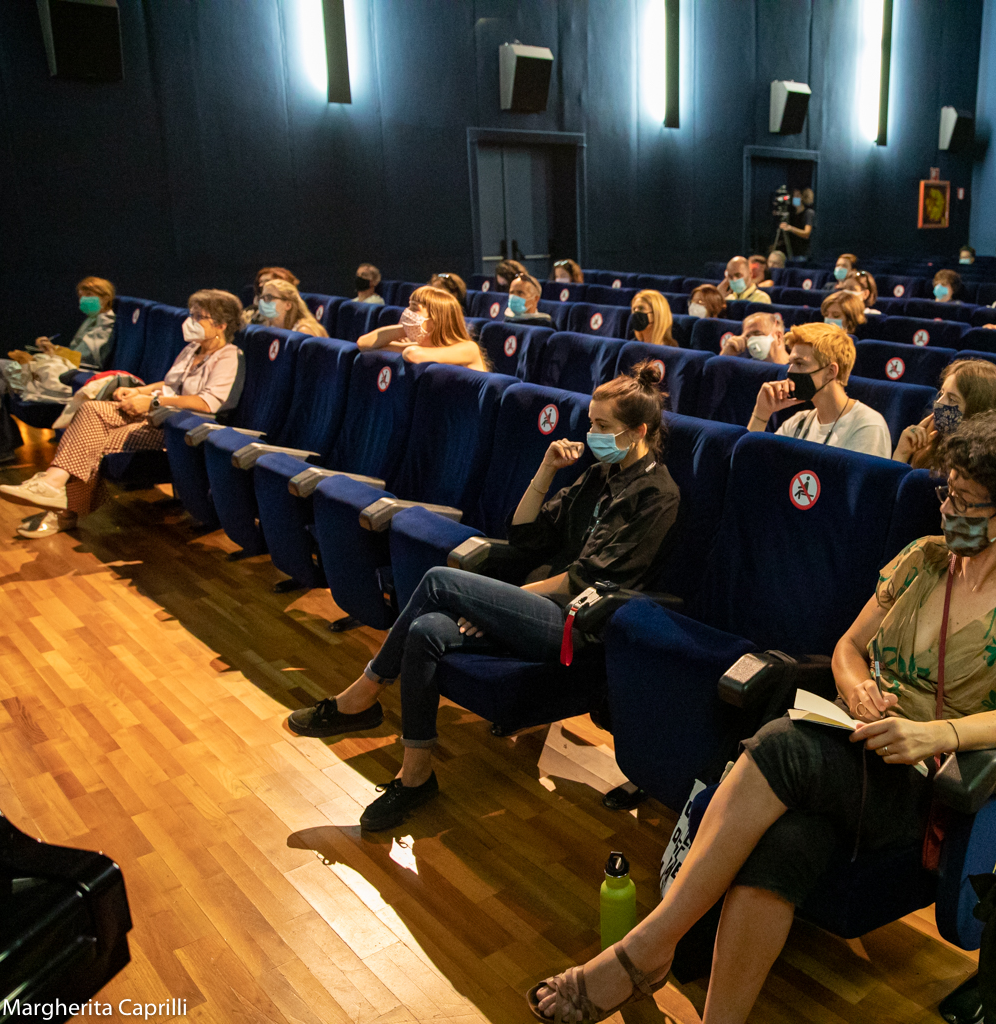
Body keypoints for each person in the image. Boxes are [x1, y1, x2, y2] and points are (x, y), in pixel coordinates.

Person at [527, 412, 996, 1024]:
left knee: (782, 747)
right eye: (946, 493)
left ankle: (646, 950)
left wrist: (929, 733)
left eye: (966, 502)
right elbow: (849, 647)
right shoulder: (923, 559)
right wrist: (858, 687)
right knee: (785, 845)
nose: (948, 509)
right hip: (854, 741)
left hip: (926, 775)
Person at [286, 364, 681, 831]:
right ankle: (415, 776)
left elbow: (584, 581)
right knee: (425, 631)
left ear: (638, 431)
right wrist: (546, 468)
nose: (591, 433)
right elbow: (526, 534)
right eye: (590, 422)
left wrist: (494, 604)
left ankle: (362, 696)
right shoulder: (599, 475)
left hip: (580, 624)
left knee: (439, 580)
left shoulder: (658, 494)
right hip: (536, 610)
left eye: (602, 425)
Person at [0, 290, 244, 538]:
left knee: (89, 440)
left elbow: (207, 403)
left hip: (178, 427)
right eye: (191, 315)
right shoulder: (192, 349)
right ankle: (53, 485)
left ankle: (62, 509)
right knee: (91, 410)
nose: (190, 322)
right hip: (157, 414)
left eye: (199, 317)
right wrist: (138, 391)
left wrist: (152, 402)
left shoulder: (229, 356)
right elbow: (170, 384)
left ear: (221, 325)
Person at [0, 276, 117, 465]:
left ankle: (0, 443)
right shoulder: (92, 320)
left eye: (88, 294)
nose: (83, 300)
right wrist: (52, 349)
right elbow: (77, 355)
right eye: (81, 296)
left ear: (105, 296)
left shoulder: (107, 323)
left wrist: (54, 352)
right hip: (61, 371)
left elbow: (87, 360)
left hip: (70, 378)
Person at [748, 323, 891, 458]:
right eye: (790, 363)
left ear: (831, 371)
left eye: (799, 363)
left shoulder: (867, 426)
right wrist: (761, 413)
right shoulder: (798, 422)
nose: (790, 371)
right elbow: (750, 462)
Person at [893, 359, 996, 468]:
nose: (938, 403)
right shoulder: (930, 446)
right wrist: (901, 454)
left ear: (978, 411)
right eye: (941, 394)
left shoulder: (986, 469)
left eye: (952, 400)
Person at [357, 287, 488, 371]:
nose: (407, 312)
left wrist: (408, 331)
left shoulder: (469, 348)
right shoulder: (421, 346)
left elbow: (413, 355)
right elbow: (364, 344)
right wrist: (404, 329)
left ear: (436, 320)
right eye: (408, 307)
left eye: (414, 308)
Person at [252, 279, 327, 337]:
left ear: (288, 305)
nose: (263, 302)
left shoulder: (304, 331)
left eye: (269, 297)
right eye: (262, 298)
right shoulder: (269, 327)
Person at [720, 311, 789, 363]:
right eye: (747, 336)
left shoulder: (793, 369)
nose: (751, 341)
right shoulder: (747, 368)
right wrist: (725, 357)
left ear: (778, 337)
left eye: (757, 334)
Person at [775, 188, 814, 262]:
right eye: (793, 196)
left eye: (796, 196)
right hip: (790, 253)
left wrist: (791, 228)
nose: (794, 198)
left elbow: (806, 233)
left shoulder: (808, 213)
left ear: (802, 197)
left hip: (802, 254)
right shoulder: (791, 215)